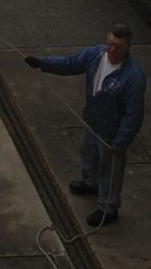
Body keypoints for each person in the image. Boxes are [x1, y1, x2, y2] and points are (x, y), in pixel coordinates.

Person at [25, 24, 146, 226]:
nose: (112, 50)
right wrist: (42, 63)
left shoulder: (133, 78)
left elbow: (133, 115)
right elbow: (70, 64)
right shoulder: (96, 55)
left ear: (129, 47)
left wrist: (121, 142)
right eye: (110, 44)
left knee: (110, 169)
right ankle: (91, 183)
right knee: (89, 153)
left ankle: (108, 207)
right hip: (92, 120)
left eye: (118, 47)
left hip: (111, 133)